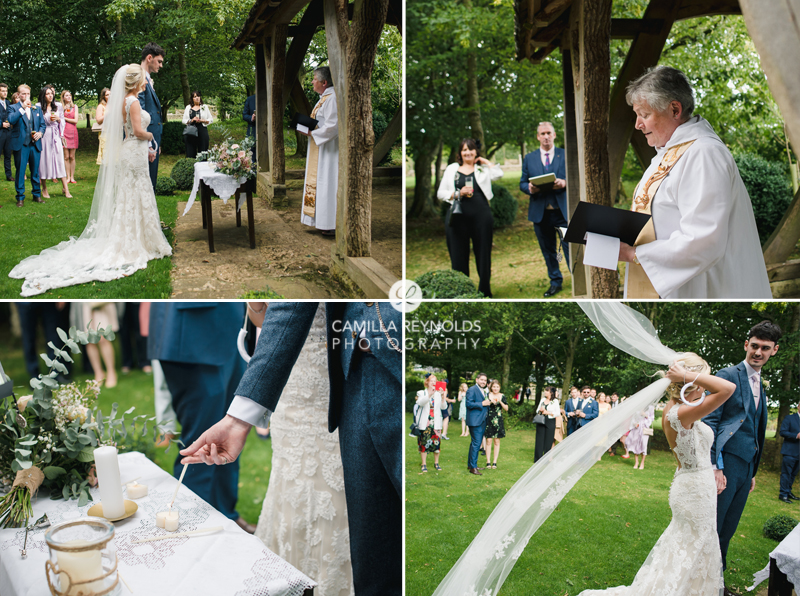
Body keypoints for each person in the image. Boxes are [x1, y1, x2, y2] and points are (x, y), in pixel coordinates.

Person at [180, 302, 402, 596]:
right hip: (348, 379)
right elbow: (284, 309)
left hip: (367, 367)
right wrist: (239, 419)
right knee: (375, 567)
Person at [9, 64, 172, 296]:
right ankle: (139, 239)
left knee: (132, 194)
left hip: (131, 151)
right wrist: (152, 139)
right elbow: (136, 131)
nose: (146, 82)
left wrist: (145, 145)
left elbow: (126, 133)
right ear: (136, 82)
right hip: (134, 152)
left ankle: (136, 235)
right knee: (138, 192)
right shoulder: (133, 102)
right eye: (144, 79)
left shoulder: (124, 101)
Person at [618, 65, 771, 299]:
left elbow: (703, 238)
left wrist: (632, 254)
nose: (638, 124)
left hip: (706, 287)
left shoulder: (704, 153)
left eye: (644, 115)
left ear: (675, 109)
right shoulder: (666, 154)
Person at [246, 303, 354, 594]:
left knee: (332, 478)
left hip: (328, 373)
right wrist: (255, 303)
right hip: (290, 384)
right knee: (289, 474)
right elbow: (263, 321)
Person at [148, 302, 254, 533]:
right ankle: (191, 529)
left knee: (229, 438)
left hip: (231, 329)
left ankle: (227, 516)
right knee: (200, 444)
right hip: (192, 330)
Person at [703, 320, 781, 580]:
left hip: (746, 468)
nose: (758, 352)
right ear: (746, 344)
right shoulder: (727, 375)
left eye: (765, 348)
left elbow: (756, 428)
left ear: (774, 350)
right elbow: (711, 421)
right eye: (755, 346)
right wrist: (716, 466)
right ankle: (703, 582)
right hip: (726, 466)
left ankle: (717, 581)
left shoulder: (760, 382)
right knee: (713, 527)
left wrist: (753, 470)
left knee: (728, 529)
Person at [437, 138, 503, 297]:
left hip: (481, 217)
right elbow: (440, 193)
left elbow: (499, 174)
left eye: (471, 149)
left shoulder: (482, 170)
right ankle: (463, 291)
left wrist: (485, 161)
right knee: (458, 255)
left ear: (476, 152)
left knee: (483, 253)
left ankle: (485, 291)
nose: (468, 153)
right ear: (460, 153)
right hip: (457, 218)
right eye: (464, 150)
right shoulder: (452, 169)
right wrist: (458, 193)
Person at [520, 121, 569, 297]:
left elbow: (575, 177)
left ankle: (579, 280)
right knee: (548, 251)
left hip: (562, 211)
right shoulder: (529, 158)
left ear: (554, 135)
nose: (546, 136)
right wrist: (529, 188)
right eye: (542, 134)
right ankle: (555, 281)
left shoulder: (565, 155)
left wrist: (564, 183)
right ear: (538, 137)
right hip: (540, 214)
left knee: (569, 247)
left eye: (549, 133)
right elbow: (522, 183)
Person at [300, 67, 338, 236]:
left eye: (314, 79)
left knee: (327, 183)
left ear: (324, 82)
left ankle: (329, 223)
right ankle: (319, 221)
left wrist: (311, 132)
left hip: (329, 150)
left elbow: (333, 126)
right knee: (319, 183)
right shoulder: (323, 98)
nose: (312, 82)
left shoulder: (333, 98)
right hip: (319, 147)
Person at [8, 84, 46, 207]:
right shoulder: (13, 107)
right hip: (21, 144)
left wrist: (40, 133)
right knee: (20, 171)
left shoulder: (36, 108)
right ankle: (20, 197)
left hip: (35, 144)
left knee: (35, 171)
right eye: (23, 94)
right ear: (18, 95)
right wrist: (22, 108)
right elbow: (11, 120)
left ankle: (37, 195)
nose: (26, 96)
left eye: (28, 94)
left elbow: (42, 125)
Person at [138, 42, 165, 192]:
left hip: (152, 140)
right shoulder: (139, 79)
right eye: (159, 61)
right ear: (149, 58)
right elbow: (140, 114)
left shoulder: (147, 79)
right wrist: (149, 144)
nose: (161, 65)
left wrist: (156, 142)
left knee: (151, 181)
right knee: (146, 184)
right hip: (145, 142)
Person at [37, 85, 72, 199]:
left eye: (51, 93)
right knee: (44, 161)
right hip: (44, 135)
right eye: (47, 93)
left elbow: (62, 121)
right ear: (43, 95)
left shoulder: (57, 107)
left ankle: (65, 189)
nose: (50, 95)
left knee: (59, 161)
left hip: (55, 135)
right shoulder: (38, 107)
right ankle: (44, 188)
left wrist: (59, 120)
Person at [82, 302, 119, 388]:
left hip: (102, 306)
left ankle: (111, 372)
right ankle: (98, 373)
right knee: (89, 339)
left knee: (103, 338)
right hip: (85, 306)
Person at [415, 374, 444, 472]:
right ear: (427, 382)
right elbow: (420, 403)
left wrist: (443, 396)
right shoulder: (421, 393)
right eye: (431, 380)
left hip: (436, 423)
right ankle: (423, 464)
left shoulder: (438, 394)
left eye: (435, 381)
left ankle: (436, 463)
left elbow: (443, 407)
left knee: (436, 444)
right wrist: (429, 395)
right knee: (424, 443)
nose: (433, 383)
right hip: (425, 422)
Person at [465, 373, 490, 475]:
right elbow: (469, 404)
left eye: (485, 380)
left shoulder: (484, 391)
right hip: (475, 421)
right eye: (482, 380)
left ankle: (471, 465)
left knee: (474, 443)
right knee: (476, 443)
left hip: (482, 420)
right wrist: (482, 404)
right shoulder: (472, 390)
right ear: (477, 380)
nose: (483, 382)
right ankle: (473, 468)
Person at [778, 400, 800, 503]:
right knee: (786, 473)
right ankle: (783, 494)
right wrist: (796, 436)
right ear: (799, 407)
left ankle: (788, 491)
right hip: (790, 451)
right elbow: (783, 432)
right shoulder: (790, 418)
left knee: (793, 474)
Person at [484, 380, 508, 469]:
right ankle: (488, 461)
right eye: (494, 387)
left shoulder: (502, 396)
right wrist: (490, 402)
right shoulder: (487, 395)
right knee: (489, 441)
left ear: (499, 387)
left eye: (497, 387)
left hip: (498, 420)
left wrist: (500, 401)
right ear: (491, 387)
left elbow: (506, 408)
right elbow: (484, 405)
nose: (495, 388)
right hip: (489, 419)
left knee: (497, 441)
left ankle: (494, 461)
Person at [182, 90, 212, 158]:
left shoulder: (204, 107)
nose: (197, 98)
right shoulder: (188, 107)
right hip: (191, 131)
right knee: (190, 152)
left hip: (202, 130)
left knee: (203, 152)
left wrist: (203, 120)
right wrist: (191, 120)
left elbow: (211, 119)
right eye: (195, 96)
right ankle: (191, 166)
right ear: (192, 98)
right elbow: (183, 120)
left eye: (198, 96)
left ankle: (202, 167)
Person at [534, 386, 559, 462]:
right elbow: (537, 410)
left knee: (548, 440)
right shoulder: (542, 400)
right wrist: (540, 410)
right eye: (545, 391)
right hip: (541, 420)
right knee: (539, 440)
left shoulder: (555, 401)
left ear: (551, 393)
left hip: (550, 421)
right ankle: (538, 459)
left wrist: (548, 412)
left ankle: (546, 459)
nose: (545, 392)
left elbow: (557, 413)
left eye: (547, 391)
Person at [626, 405, 654, 470]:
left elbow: (652, 418)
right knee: (636, 444)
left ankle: (642, 462)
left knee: (643, 445)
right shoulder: (638, 405)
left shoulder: (651, 407)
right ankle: (636, 462)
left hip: (644, 428)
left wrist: (645, 415)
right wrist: (634, 423)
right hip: (637, 428)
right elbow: (633, 418)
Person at [61, 90, 79, 184]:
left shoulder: (74, 107)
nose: (68, 97)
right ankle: (67, 177)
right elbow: (59, 119)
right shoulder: (61, 107)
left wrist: (65, 118)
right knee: (66, 157)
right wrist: (63, 111)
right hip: (64, 133)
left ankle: (72, 177)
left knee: (72, 156)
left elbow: (75, 120)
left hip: (72, 132)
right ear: (63, 97)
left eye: (69, 95)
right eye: (66, 95)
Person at [0, 83, 13, 182]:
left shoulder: (8, 103)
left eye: (6, 91)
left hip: (9, 132)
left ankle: (9, 175)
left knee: (8, 154)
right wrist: (1, 124)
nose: (5, 93)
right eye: (2, 91)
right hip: (0, 131)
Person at [95, 88, 110, 165]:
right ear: (104, 96)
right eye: (107, 94)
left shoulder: (115, 105)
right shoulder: (101, 106)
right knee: (106, 155)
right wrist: (108, 114)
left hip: (115, 133)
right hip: (105, 133)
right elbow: (98, 119)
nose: (109, 96)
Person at [243, 93, 255, 163]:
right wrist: (251, 118)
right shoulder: (250, 99)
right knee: (251, 152)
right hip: (252, 130)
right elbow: (244, 115)